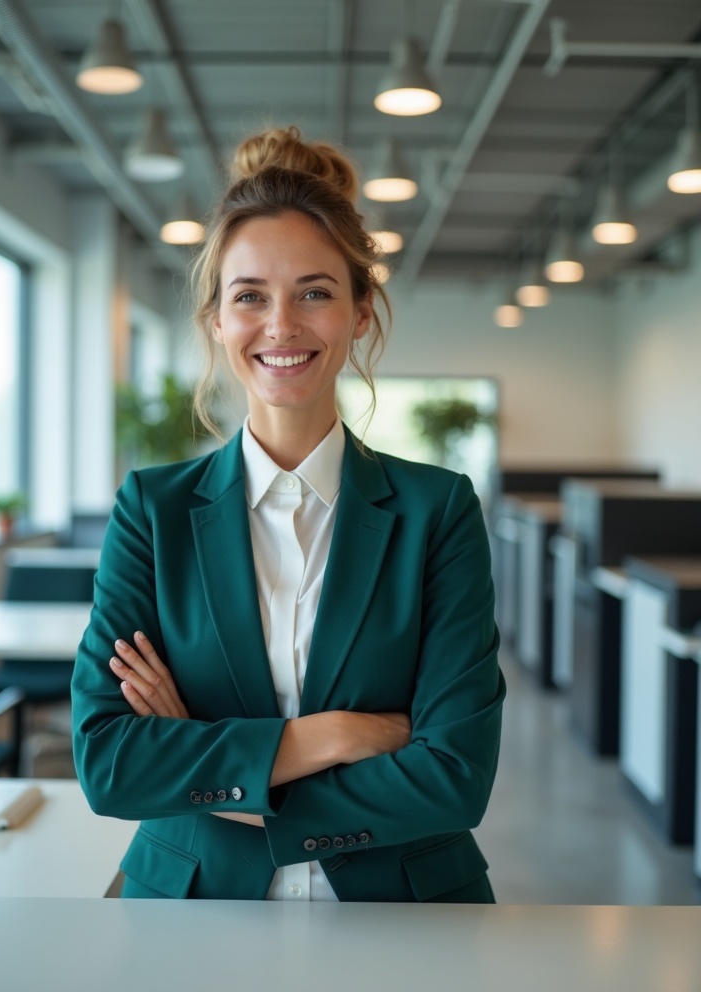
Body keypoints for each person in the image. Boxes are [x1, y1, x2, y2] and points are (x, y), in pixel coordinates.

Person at [71, 126, 505, 902]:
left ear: (360, 311)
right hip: (193, 906)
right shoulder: (153, 512)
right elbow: (111, 765)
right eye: (249, 297)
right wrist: (330, 737)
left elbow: (454, 777)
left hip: (405, 910)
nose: (281, 326)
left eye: (314, 291)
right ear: (215, 320)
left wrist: (204, 759)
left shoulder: (438, 511)